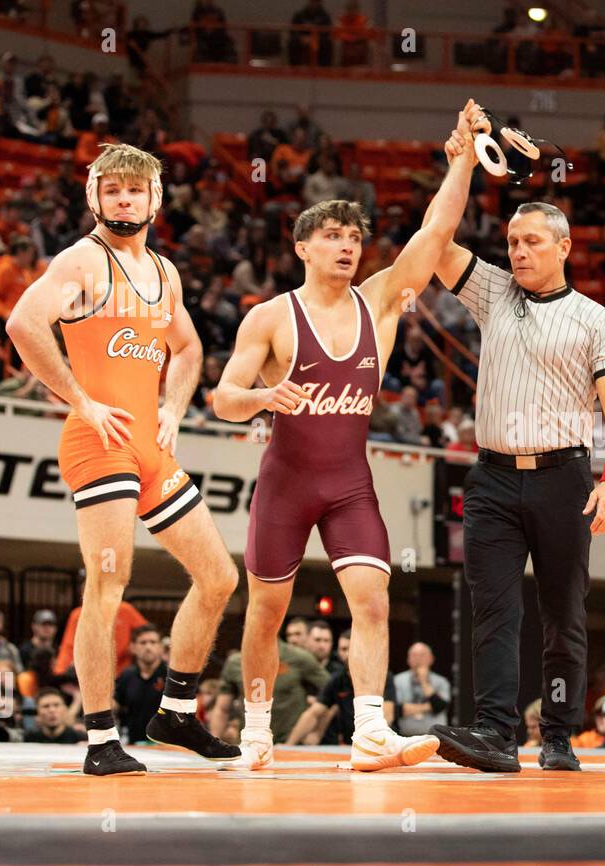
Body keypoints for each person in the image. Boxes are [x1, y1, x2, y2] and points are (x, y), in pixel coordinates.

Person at [213, 102, 485, 773]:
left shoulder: (382, 302)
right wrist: (261, 397)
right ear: (303, 247)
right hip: (286, 485)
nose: (345, 245)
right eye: (331, 235)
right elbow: (221, 400)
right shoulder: (270, 317)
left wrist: (462, 162)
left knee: (372, 599)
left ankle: (369, 732)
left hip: (348, 486)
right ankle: (255, 730)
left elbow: (435, 231)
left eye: (353, 237)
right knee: (267, 613)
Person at [6, 143, 242, 774]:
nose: (124, 199)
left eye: (134, 190)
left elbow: (188, 349)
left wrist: (173, 406)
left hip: (150, 446)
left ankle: (175, 713)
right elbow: (23, 326)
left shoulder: (165, 274)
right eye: (111, 190)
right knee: (107, 584)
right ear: (94, 198)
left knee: (219, 578)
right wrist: (80, 401)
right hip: (99, 441)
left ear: (155, 199)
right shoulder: (82, 261)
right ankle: (101, 739)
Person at [426, 104, 605, 774]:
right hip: (490, 479)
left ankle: (557, 736)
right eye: (513, 241)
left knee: (562, 617)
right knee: (492, 610)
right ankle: (494, 734)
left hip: (565, 479)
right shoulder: (493, 293)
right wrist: (462, 158)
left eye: (532, 243)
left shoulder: (595, 319)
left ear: (565, 247)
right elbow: (433, 243)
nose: (518, 252)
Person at [113, 624, 166, 744]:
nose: (148, 647)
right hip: (132, 743)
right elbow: (114, 704)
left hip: (165, 745)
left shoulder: (171, 676)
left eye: (153, 642)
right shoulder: (126, 675)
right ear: (133, 647)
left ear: (161, 647)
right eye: (143, 643)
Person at [392, 642, 451, 737]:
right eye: (414, 655)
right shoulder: (397, 680)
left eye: (422, 655)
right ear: (408, 659)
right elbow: (396, 709)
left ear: (431, 659)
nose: (418, 659)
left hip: (435, 737)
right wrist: (428, 707)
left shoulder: (442, 681)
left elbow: (440, 706)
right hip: (405, 736)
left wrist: (424, 681)